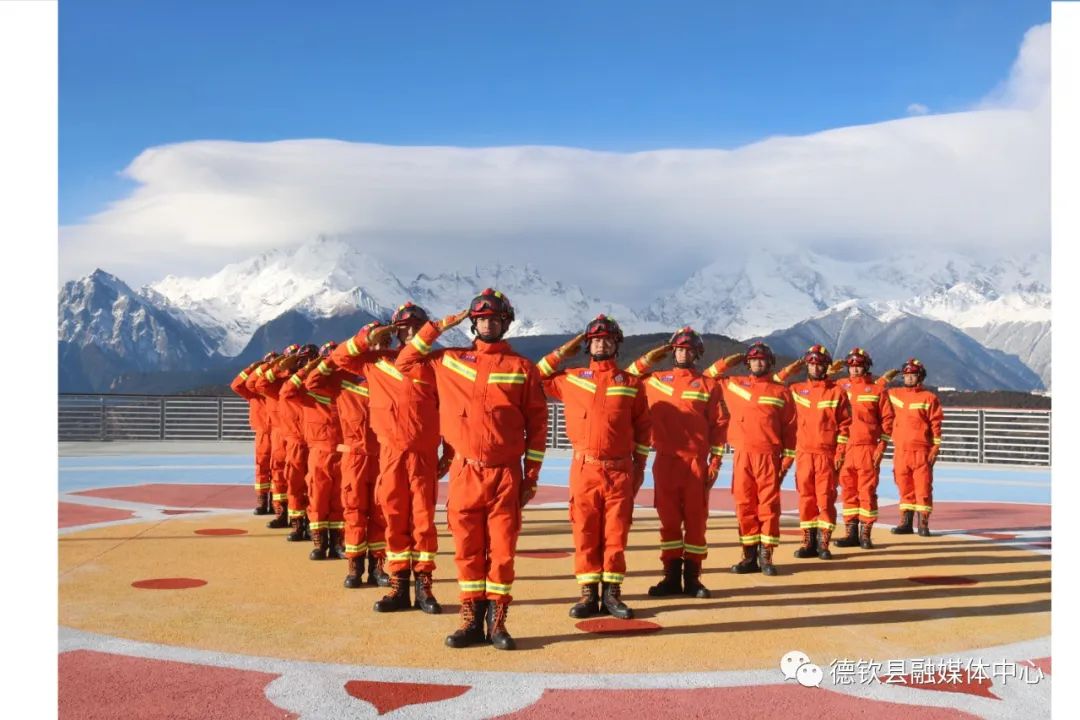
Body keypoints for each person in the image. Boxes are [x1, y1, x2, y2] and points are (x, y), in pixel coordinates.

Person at [396, 289, 548, 650]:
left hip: (505, 475)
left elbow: (538, 427)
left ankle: (497, 624)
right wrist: (438, 326)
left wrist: (530, 476)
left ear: (505, 323)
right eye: (480, 319)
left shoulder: (522, 368)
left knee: (502, 553)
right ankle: (470, 621)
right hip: (466, 473)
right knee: (466, 550)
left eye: (494, 319)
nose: (487, 324)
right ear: (472, 323)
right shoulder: (449, 360)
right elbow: (405, 361)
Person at [331, 303, 450, 614]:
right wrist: (367, 338)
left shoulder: (436, 365)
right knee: (393, 520)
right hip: (391, 456)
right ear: (396, 331)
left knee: (423, 523)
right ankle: (398, 587)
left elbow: (449, 411)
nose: (411, 331)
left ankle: (424, 589)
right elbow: (339, 358)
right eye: (404, 326)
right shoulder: (377, 362)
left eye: (417, 326)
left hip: (423, 456)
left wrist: (449, 453)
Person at [538, 315, 651, 620]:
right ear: (588, 345)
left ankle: (612, 594)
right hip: (584, 470)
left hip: (620, 470)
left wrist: (639, 468)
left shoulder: (631, 384)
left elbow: (644, 430)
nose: (602, 344)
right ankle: (588, 593)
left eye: (607, 340)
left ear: (616, 344)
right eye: (595, 340)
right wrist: (564, 350)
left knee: (616, 533)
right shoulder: (571, 379)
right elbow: (536, 376)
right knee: (585, 531)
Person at [625, 327, 728, 598]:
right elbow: (628, 376)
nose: (683, 353)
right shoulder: (655, 380)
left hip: (695, 464)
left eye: (688, 349)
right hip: (665, 462)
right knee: (669, 522)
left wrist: (715, 463)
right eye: (679, 349)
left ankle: (693, 579)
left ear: (697, 353)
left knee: (696, 522)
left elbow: (719, 427)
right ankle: (671, 577)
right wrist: (650, 357)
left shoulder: (709, 385)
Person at [307, 327, 392, 588]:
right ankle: (354, 567)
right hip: (354, 457)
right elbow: (312, 382)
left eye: (384, 342)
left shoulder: (392, 375)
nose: (379, 347)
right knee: (353, 512)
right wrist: (357, 343)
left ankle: (377, 567)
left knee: (381, 513)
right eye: (374, 342)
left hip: (382, 456)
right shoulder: (343, 377)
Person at [704, 342, 796, 576]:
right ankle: (749, 556)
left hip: (769, 456)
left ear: (770, 363)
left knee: (768, 506)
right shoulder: (734, 384)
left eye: (762, 360)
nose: (758, 363)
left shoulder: (781, 392)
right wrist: (725, 362)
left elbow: (791, 431)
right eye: (754, 360)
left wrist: (785, 463)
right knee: (744, 505)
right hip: (742, 455)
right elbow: (707, 378)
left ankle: (766, 556)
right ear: (747, 363)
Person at [786, 345, 852, 560]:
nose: (815, 368)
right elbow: (772, 386)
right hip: (804, 454)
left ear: (826, 367)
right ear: (807, 365)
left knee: (825, 499)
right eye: (812, 364)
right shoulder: (795, 390)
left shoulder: (837, 392)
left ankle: (823, 543)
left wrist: (840, 452)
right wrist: (788, 370)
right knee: (806, 499)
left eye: (820, 364)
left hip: (826, 455)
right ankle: (808, 542)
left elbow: (845, 426)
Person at [832, 348, 896, 549]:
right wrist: (830, 371)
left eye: (859, 365)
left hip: (867, 448)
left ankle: (865, 534)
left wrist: (881, 446)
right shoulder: (839, 386)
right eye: (851, 366)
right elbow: (819, 389)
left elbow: (888, 421)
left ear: (866, 367)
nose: (855, 369)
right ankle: (851, 534)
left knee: (866, 491)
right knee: (848, 491)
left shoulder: (877, 391)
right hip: (845, 448)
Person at [887, 358, 944, 536]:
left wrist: (936, 447)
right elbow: (872, 392)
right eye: (906, 375)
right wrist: (885, 379)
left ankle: (923, 524)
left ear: (920, 377)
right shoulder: (894, 394)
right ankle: (906, 523)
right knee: (904, 487)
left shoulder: (929, 398)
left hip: (921, 452)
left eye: (913, 375)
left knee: (923, 488)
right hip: (901, 451)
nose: (909, 378)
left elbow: (936, 424)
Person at [229, 353, 275, 515]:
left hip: (279, 434)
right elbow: (236, 385)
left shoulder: (276, 391)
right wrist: (251, 368)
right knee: (262, 467)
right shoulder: (253, 393)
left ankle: (276, 503)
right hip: (263, 434)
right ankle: (262, 501)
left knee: (278, 469)